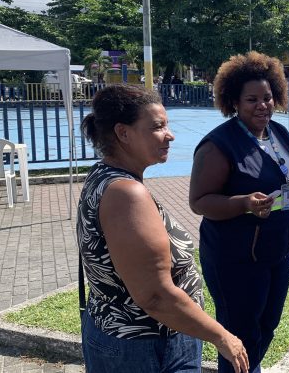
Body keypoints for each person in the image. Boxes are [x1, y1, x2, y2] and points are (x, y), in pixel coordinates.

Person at [77, 84, 248, 373]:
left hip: (126, 339)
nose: (170, 135)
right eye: (158, 127)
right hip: (146, 346)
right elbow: (154, 296)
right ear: (123, 133)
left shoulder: (103, 175)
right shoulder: (127, 194)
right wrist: (222, 337)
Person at [188, 52, 289, 373]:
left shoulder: (278, 133)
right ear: (234, 102)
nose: (262, 105)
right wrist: (244, 203)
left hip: (277, 252)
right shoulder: (219, 145)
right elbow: (199, 201)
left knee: (268, 325)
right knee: (238, 335)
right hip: (235, 259)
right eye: (252, 99)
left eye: (267, 97)